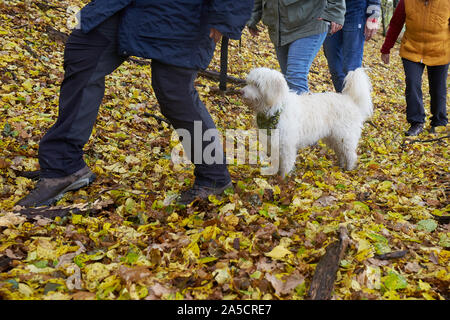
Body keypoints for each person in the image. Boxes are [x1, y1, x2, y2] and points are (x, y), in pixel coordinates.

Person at [16, 0, 254, 208]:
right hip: (122, 5)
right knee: (84, 55)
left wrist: (226, 16)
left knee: (174, 92)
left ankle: (213, 177)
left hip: (184, 12)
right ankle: (64, 166)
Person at [246, 0, 346, 94]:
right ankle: (293, 111)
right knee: (288, 82)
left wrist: (335, 12)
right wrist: (253, 16)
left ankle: (304, 112)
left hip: (310, 21)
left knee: (295, 77)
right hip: (279, 26)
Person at [380, 0, 449, 136]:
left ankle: (439, 122)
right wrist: (386, 48)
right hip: (412, 49)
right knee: (412, 83)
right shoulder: (406, 1)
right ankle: (416, 122)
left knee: (438, 88)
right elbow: (395, 24)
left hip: (440, 50)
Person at [323, 0, 381, 93]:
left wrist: (373, 15)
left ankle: (357, 104)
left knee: (352, 69)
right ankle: (345, 101)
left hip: (356, 10)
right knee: (334, 65)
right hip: (331, 9)